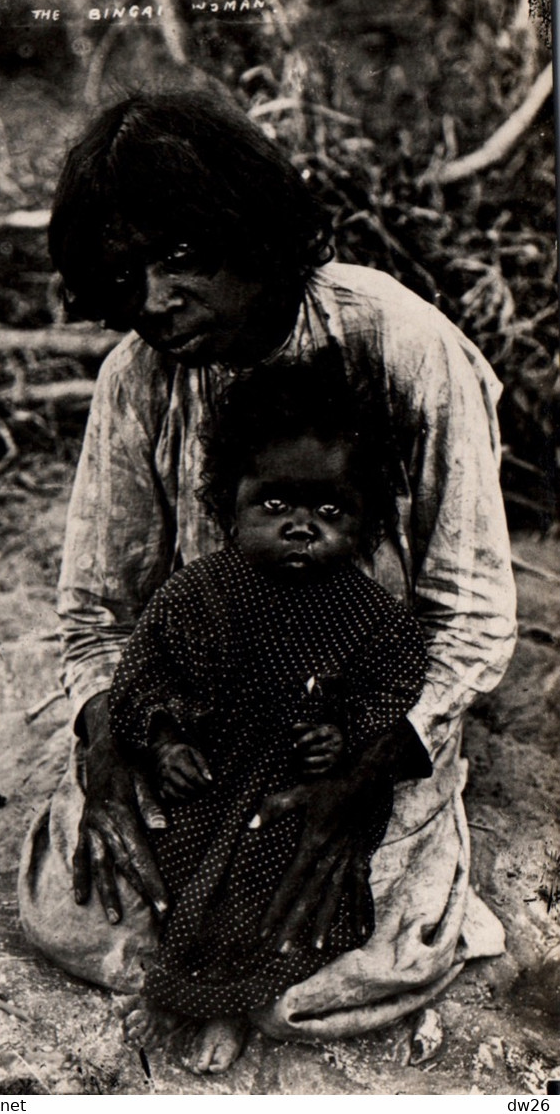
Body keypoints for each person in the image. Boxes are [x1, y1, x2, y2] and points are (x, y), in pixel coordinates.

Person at [18, 88, 516, 1075]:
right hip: (200, 708)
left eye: (182, 258)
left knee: (340, 970)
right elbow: (95, 603)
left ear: (255, 234)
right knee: (73, 914)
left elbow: (470, 613)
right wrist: (104, 732)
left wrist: (367, 767)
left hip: (361, 714)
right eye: (131, 272)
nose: (159, 299)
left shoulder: (399, 346)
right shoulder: (141, 373)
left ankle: (407, 870)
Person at [108, 359, 429, 1069]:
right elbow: (142, 674)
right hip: (209, 771)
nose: (300, 528)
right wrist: (161, 739)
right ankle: (188, 978)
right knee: (182, 867)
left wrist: (345, 733)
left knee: (277, 878)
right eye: (274, 505)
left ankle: (226, 1004)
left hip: (296, 786)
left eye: (329, 511)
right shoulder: (196, 592)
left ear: (368, 521)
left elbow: (396, 683)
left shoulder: (368, 612)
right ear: (227, 504)